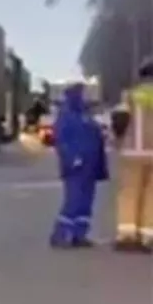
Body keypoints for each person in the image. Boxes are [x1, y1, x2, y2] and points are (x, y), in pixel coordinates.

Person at [50, 83, 109, 248]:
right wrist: (72, 158)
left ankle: (79, 234)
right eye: (84, 94)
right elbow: (62, 140)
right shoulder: (67, 115)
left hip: (90, 165)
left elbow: (95, 136)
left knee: (85, 202)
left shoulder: (86, 115)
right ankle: (60, 235)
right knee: (74, 200)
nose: (87, 97)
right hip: (76, 165)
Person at [113, 56, 153, 253]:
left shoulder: (129, 96)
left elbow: (119, 121)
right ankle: (147, 235)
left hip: (131, 153)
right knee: (151, 194)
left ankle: (127, 235)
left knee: (129, 192)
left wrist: (119, 140)